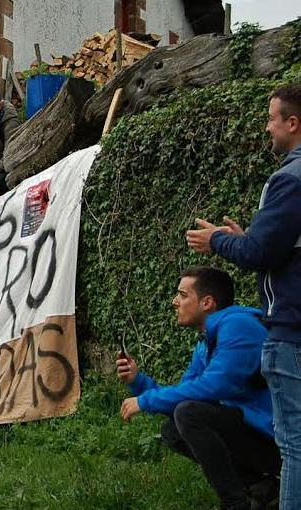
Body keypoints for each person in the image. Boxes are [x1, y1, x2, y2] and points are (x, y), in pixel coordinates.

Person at [186, 83, 301, 509]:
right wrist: (248, 239)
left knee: (295, 446)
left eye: (272, 118)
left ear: (292, 123)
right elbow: (280, 247)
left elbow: (262, 253)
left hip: (291, 325)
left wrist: (219, 241)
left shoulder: (290, 179)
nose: (268, 127)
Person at [118, 266, 280, 510]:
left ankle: (236, 505)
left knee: (190, 414)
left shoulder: (239, 327)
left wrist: (145, 401)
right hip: (255, 434)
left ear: (207, 302)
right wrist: (138, 382)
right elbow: (185, 394)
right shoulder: (206, 343)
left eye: (182, 295)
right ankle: (260, 488)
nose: (175, 301)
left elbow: (212, 387)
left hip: (281, 442)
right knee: (173, 428)